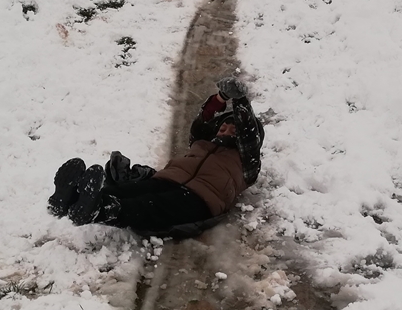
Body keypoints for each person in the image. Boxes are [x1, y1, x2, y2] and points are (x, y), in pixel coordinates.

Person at [47, 77, 264, 238]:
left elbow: (248, 134)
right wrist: (221, 97)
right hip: (166, 179)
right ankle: (70, 200)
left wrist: (240, 100)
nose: (225, 131)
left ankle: (97, 211)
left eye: (233, 131)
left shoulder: (248, 164)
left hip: (200, 199)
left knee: (149, 206)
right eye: (223, 127)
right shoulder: (201, 142)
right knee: (126, 191)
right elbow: (202, 121)